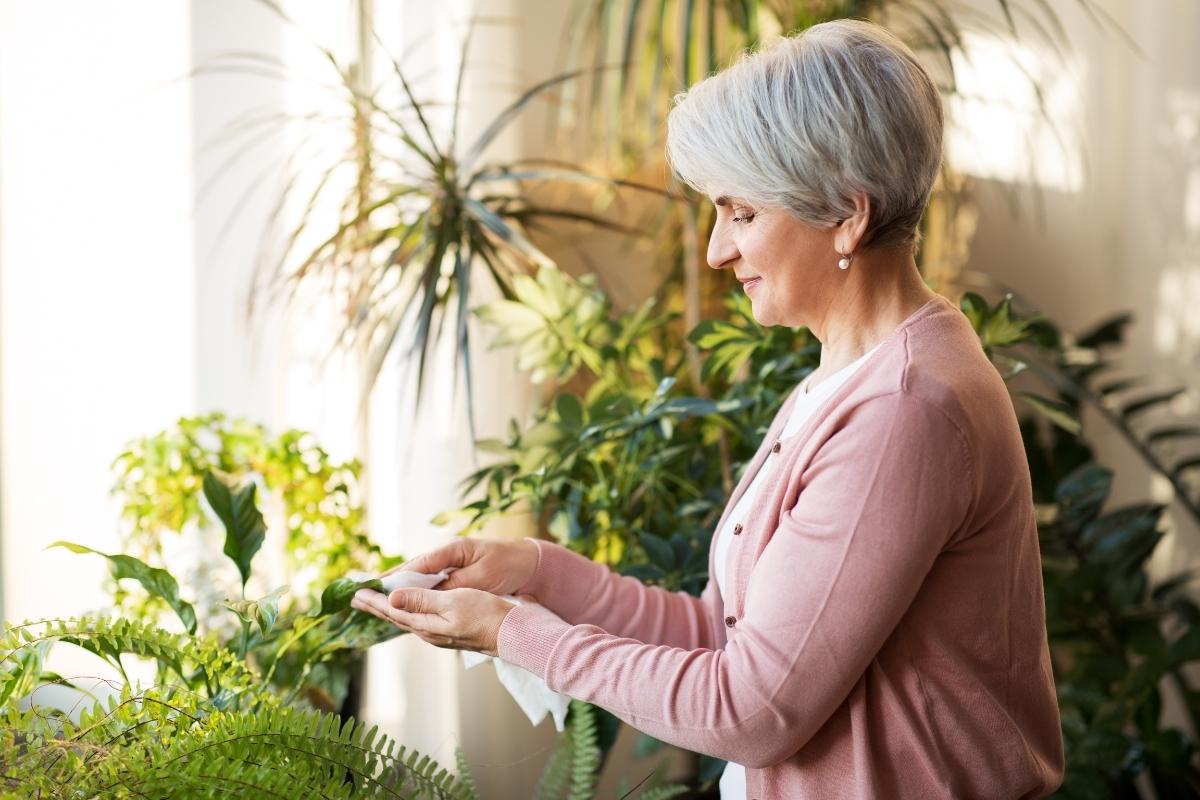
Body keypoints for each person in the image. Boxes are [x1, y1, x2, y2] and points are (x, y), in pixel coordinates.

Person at [352, 18, 1065, 798]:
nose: (716, 251)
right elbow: (718, 637)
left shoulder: (904, 410)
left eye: (743, 213)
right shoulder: (847, 378)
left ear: (847, 216)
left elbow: (750, 709)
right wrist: (536, 573)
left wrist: (513, 633)